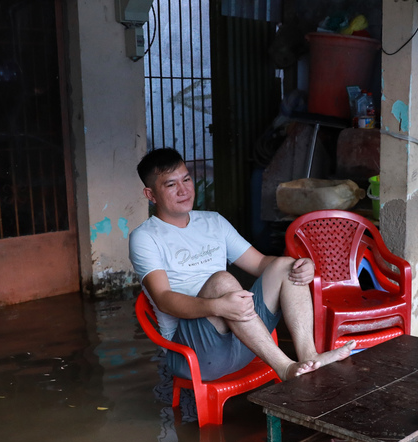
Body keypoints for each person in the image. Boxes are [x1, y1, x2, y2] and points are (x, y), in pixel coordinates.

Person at [129, 147, 354, 383]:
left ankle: (309, 356)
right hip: (195, 355)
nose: (184, 190)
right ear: (151, 194)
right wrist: (217, 307)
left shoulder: (213, 222)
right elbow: (163, 299)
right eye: (171, 185)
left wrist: (302, 265)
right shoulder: (145, 237)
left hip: (245, 340)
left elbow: (261, 263)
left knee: (287, 266)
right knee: (222, 280)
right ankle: (284, 367)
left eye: (186, 179)